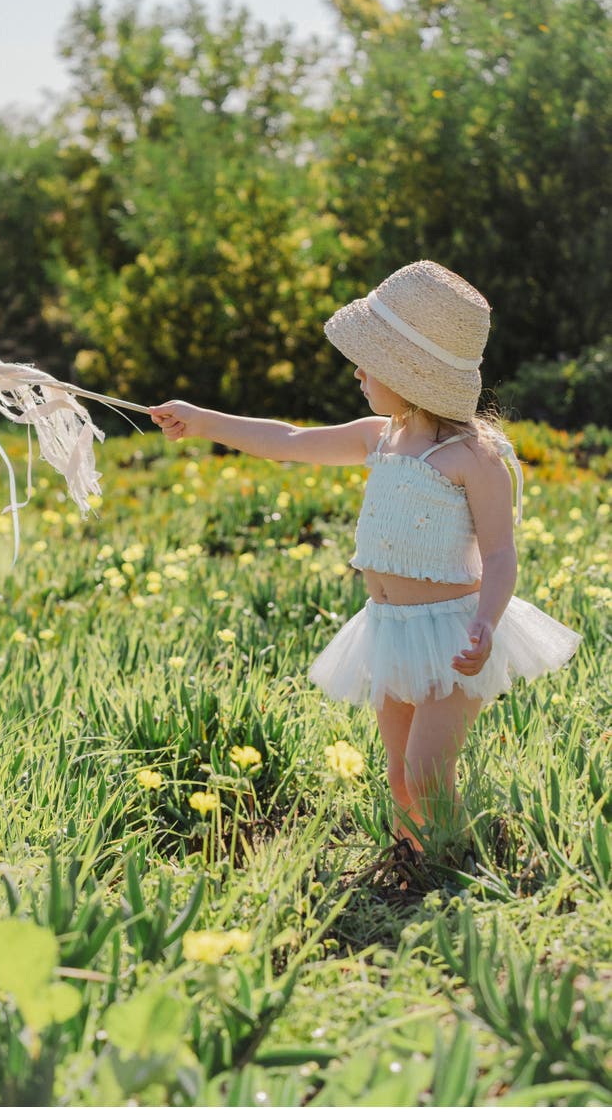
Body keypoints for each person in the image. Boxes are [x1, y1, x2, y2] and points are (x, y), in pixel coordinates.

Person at [149, 261, 581, 852]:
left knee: (429, 773)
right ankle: (411, 864)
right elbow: (289, 440)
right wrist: (201, 421)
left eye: (368, 363)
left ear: (409, 374)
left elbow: (501, 555)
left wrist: (485, 623)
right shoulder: (377, 434)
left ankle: (457, 866)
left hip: (453, 635)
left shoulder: (473, 458)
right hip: (387, 629)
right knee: (400, 777)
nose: (357, 373)